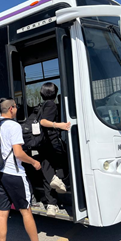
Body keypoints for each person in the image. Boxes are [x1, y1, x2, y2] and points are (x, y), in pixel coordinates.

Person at [0, 98, 53, 241]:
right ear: (11, 109)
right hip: (14, 174)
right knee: (26, 212)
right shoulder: (13, 126)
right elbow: (18, 153)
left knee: (2, 214)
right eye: (15, 107)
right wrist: (33, 162)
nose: (17, 109)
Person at [39, 82, 71, 217]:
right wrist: (60, 125)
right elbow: (43, 122)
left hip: (42, 143)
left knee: (47, 172)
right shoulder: (51, 105)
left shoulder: (41, 106)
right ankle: (58, 181)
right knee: (62, 165)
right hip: (52, 142)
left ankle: (51, 205)